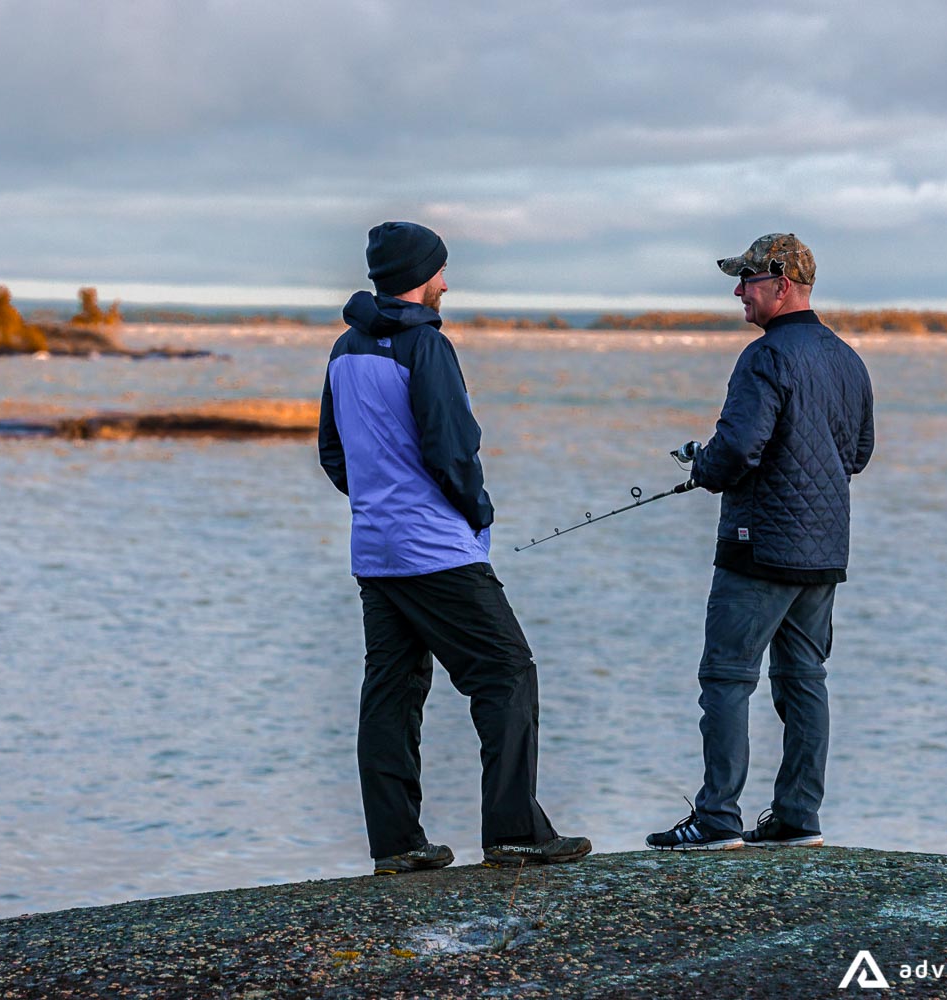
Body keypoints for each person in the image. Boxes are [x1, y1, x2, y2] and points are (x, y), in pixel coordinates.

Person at [319, 221, 591, 874]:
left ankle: (397, 845)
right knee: (507, 672)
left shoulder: (344, 348)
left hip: (377, 550)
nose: (446, 281)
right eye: (441, 270)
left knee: (390, 691)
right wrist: (478, 511)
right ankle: (514, 830)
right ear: (421, 274)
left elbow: (333, 453)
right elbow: (452, 448)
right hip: (437, 550)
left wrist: (377, 500)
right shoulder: (427, 350)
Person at [646, 233, 874, 852]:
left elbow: (738, 451)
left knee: (726, 678)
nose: (738, 292)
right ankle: (799, 817)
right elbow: (856, 455)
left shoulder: (763, 357)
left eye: (747, 280)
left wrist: (704, 464)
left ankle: (717, 819)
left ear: (782, 282)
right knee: (804, 679)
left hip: (759, 545)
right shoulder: (848, 359)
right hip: (824, 550)